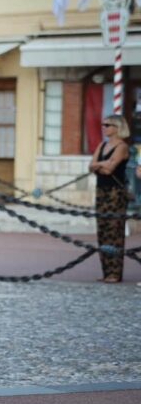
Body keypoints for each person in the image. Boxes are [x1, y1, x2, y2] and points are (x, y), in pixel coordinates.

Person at [89, 114, 130, 283]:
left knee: (114, 231)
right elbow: (91, 166)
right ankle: (106, 272)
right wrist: (101, 164)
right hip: (101, 191)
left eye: (107, 124)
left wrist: (101, 165)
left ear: (117, 127)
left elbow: (110, 170)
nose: (104, 127)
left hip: (115, 192)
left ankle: (115, 273)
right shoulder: (102, 144)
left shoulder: (121, 146)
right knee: (103, 231)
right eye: (103, 124)